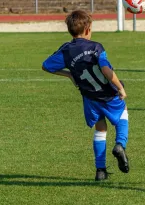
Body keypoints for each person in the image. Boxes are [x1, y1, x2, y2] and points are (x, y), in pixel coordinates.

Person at [42, 10, 130, 181]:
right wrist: (120, 87)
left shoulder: (66, 50)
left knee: (100, 128)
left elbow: (46, 66)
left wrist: (68, 74)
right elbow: (106, 69)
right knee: (123, 115)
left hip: (90, 98)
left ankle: (100, 171)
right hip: (108, 94)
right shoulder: (96, 47)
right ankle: (120, 145)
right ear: (88, 29)